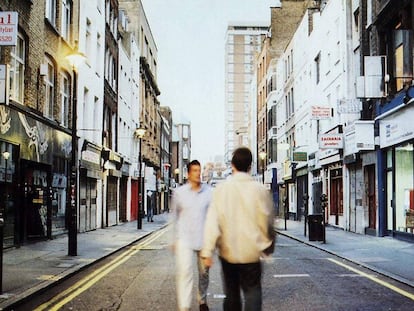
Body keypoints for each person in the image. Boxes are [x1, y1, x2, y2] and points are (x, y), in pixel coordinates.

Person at [201, 147, 275, 311]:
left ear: (232, 165)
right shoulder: (260, 190)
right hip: (252, 252)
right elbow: (267, 221)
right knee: (253, 292)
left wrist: (207, 251)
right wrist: (267, 246)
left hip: (229, 252)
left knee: (232, 294)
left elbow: (212, 222)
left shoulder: (221, 189)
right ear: (250, 166)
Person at [171, 160, 212, 311]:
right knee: (185, 273)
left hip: (203, 239)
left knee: (204, 274)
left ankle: (202, 300)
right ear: (188, 173)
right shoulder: (179, 193)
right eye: (194, 170)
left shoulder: (209, 193)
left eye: (199, 170)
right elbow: (174, 217)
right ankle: (184, 307)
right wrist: (174, 239)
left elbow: (212, 218)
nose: (198, 173)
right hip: (185, 240)